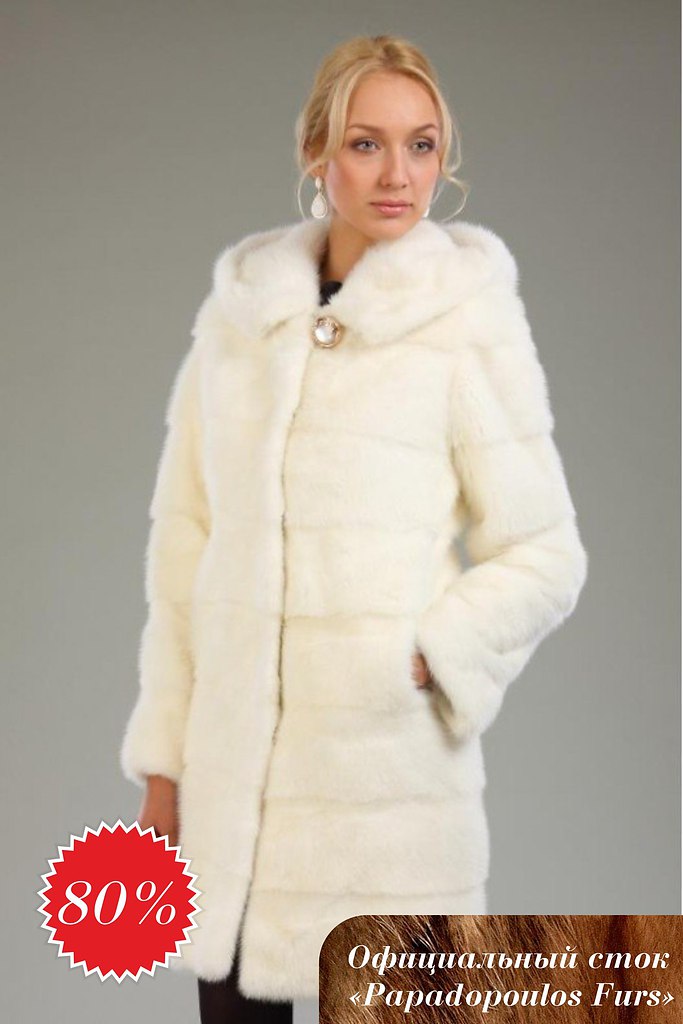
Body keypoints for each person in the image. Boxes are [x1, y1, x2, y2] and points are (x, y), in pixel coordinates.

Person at [120, 33, 588, 1015]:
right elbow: (184, 554)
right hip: (234, 801)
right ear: (315, 153)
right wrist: (164, 769)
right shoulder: (240, 321)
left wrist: (431, 651)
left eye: (421, 146)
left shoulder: (464, 322)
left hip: (386, 798)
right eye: (365, 144)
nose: (397, 174)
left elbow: (543, 550)